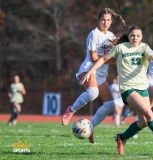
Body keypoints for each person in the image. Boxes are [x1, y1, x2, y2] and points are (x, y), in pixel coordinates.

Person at [80, 25, 153, 155]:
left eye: (138, 36)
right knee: (149, 113)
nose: (135, 37)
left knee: (143, 122)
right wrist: (89, 72)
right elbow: (103, 59)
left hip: (142, 88)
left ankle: (121, 138)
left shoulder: (144, 47)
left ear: (141, 37)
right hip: (128, 88)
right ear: (128, 36)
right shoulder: (121, 48)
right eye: (133, 35)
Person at [61, 8, 126, 144]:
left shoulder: (112, 36)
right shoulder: (94, 34)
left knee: (110, 105)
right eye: (103, 20)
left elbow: (114, 56)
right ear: (98, 20)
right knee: (93, 93)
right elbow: (94, 56)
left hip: (101, 74)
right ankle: (71, 110)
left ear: (111, 21)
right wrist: (113, 61)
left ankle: (90, 127)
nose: (105, 22)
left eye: (108, 20)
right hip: (89, 69)